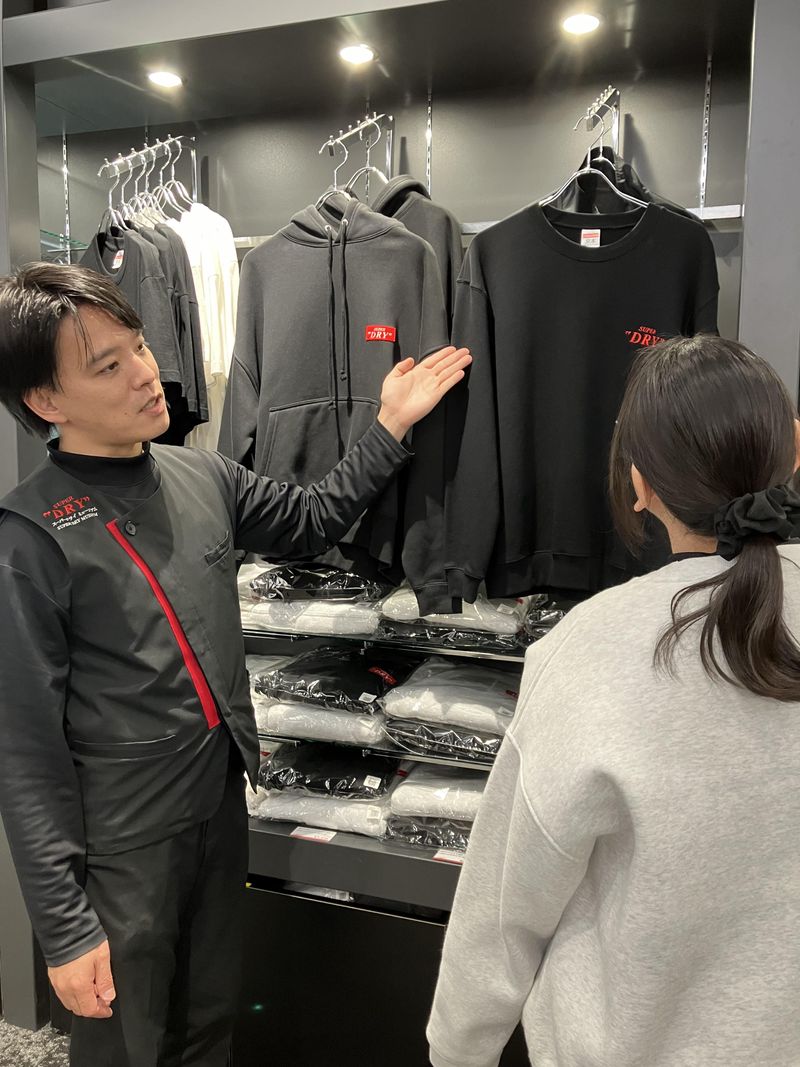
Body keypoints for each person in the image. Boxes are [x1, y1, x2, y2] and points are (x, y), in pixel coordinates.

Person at [0, 262, 471, 1067]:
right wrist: (65, 926)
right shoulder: (30, 535)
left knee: (207, 1020)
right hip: (122, 838)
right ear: (46, 400)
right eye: (108, 365)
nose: (145, 372)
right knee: (124, 1041)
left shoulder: (199, 472)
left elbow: (312, 517)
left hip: (219, 804)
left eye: (139, 345)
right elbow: (23, 750)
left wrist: (389, 425)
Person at [428, 335, 800, 1067]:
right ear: (793, 448)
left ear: (639, 483)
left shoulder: (587, 649)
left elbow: (504, 910)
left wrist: (457, 1050)